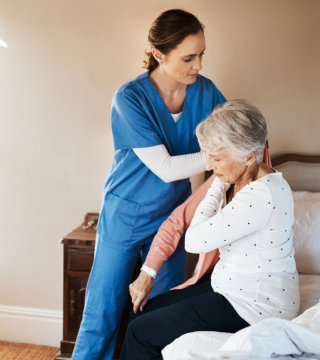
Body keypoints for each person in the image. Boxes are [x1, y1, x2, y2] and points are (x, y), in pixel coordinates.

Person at [72, 9, 226, 360]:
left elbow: (237, 135)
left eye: (202, 54)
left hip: (171, 217)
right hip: (126, 212)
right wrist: (221, 157)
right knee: (103, 312)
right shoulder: (130, 98)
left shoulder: (207, 92)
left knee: (159, 314)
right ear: (159, 54)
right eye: (189, 57)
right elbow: (168, 168)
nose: (198, 65)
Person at [119, 99, 300, 360]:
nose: (210, 166)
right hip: (229, 288)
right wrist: (222, 177)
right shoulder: (248, 176)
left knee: (140, 332)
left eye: (216, 159)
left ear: (249, 156)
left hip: (256, 305)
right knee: (141, 310)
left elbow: (194, 241)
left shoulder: (261, 194)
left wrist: (217, 185)